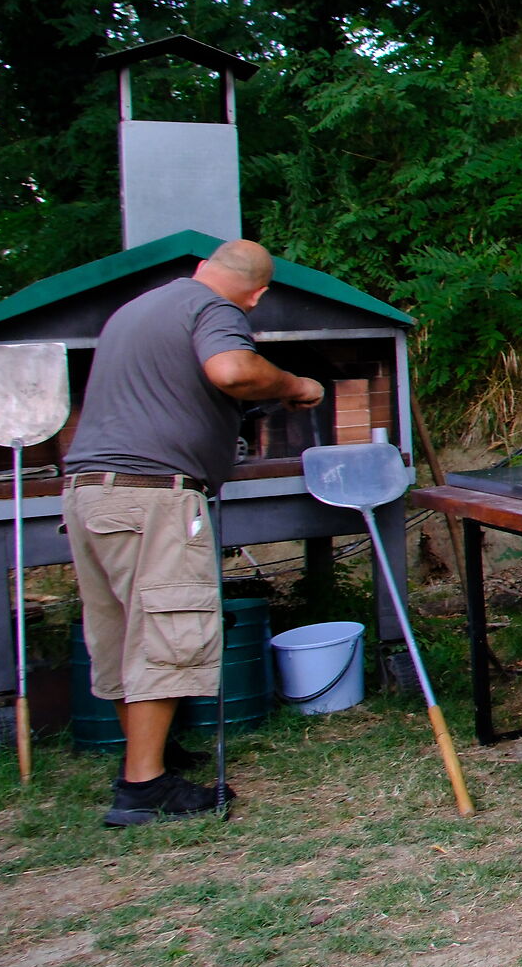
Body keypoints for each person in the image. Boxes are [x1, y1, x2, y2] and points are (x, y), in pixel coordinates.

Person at [63, 240, 325, 826]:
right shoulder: (215, 308)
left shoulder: (138, 309)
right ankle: (143, 788)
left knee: (123, 633)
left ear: (203, 267)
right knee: (167, 632)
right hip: (152, 497)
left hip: (89, 493)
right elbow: (232, 370)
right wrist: (293, 385)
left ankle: (147, 756)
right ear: (257, 294)